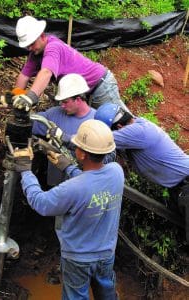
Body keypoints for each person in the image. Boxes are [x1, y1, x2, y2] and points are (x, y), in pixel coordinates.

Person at [13, 119, 124, 300]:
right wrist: (68, 167)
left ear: (81, 154)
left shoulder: (72, 189)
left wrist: (25, 170)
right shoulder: (116, 172)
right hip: (106, 253)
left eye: (77, 146)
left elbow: (41, 202)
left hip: (78, 258)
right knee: (106, 293)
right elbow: (92, 183)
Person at [94, 102, 189, 242]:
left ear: (119, 127)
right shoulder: (139, 124)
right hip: (179, 187)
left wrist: (64, 136)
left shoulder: (137, 131)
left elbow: (98, 141)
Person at [12, 15, 129, 112]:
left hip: (99, 86)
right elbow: (24, 76)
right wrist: (15, 96)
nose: (30, 48)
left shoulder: (53, 47)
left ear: (42, 36)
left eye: (32, 43)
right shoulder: (36, 53)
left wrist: (31, 97)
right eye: (27, 46)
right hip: (80, 94)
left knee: (119, 122)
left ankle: (143, 135)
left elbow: (46, 72)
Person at [32, 73, 115, 186]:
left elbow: (108, 158)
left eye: (65, 102)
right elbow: (33, 121)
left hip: (81, 187)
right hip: (55, 185)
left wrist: (66, 138)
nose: (62, 105)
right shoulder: (55, 114)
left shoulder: (97, 122)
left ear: (78, 99)